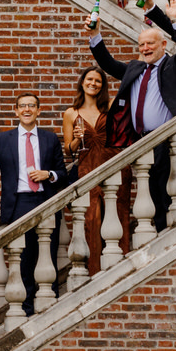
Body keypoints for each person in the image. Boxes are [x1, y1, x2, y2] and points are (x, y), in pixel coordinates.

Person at [90, 4, 176, 232]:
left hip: (166, 139)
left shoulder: (173, 66)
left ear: (163, 45)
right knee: (148, 188)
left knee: (164, 186)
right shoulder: (134, 68)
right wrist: (95, 34)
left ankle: (167, 231)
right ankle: (158, 230)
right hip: (139, 139)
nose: (145, 48)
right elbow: (108, 63)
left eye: (150, 44)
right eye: (141, 45)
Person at [0, 94, 68, 315]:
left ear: (38, 110)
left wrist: (48, 174)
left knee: (48, 254)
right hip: (18, 203)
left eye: (31, 106)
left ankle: (50, 304)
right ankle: (26, 309)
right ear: (16, 111)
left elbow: (63, 174)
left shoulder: (50, 139)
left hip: (45, 201)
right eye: (22, 106)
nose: (27, 109)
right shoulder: (2, 139)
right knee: (23, 259)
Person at [61, 67, 124, 271]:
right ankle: (95, 269)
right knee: (92, 218)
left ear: (102, 86)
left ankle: (118, 267)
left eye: (98, 81)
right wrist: (79, 139)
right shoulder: (71, 113)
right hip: (87, 167)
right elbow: (69, 151)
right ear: (82, 82)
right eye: (90, 79)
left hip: (112, 163)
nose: (93, 83)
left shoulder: (110, 106)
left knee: (117, 214)